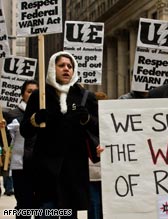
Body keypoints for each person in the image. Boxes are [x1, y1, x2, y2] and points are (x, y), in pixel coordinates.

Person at [20, 51, 99, 219]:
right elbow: (25, 130)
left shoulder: (85, 96)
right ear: (52, 68)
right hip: (47, 172)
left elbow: (99, 129)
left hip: (74, 173)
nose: (66, 69)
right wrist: (35, 120)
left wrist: (86, 118)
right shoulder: (39, 96)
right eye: (61, 65)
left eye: (70, 66)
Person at [4, 80, 39, 217]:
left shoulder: (45, 113)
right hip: (21, 166)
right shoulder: (12, 114)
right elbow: (6, 142)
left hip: (41, 165)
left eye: (35, 92)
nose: (32, 95)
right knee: (24, 205)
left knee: (39, 206)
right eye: (29, 91)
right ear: (22, 94)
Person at [87, 91, 107, 219]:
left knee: (97, 205)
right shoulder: (87, 123)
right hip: (93, 171)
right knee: (95, 204)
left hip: (103, 172)